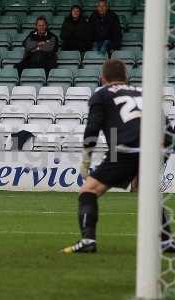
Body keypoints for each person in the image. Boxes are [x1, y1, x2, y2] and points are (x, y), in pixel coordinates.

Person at [61, 59, 175, 254]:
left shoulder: (102, 95)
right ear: (126, 77)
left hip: (123, 151)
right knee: (149, 194)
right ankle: (166, 241)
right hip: (153, 150)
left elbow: (92, 128)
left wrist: (86, 160)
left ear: (102, 78)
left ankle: (88, 240)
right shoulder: (144, 93)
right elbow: (169, 132)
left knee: (88, 191)